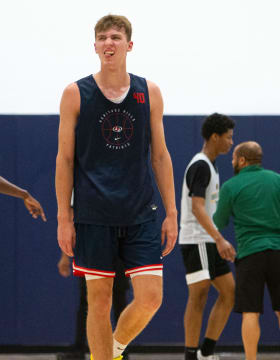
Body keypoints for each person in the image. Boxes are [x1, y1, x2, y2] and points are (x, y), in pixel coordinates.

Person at [55, 14, 178, 360]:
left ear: (129, 45)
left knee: (151, 297)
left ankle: (114, 349)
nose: (109, 43)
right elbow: (64, 160)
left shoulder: (149, 92)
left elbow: (160, 155)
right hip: (94, 213)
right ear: (95, 46)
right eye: (103, 38)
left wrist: (171, 212)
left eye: (116, 37)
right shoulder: (75, 94)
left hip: (140, 212)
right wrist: (64, 217)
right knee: (100, 301)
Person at [213, 141, 280, 360]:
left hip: (250, 255)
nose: (232, 161)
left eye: (234, 157)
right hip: (279, 252)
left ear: (242, 160)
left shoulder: (231, 186)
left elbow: (219, 222)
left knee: (251, 312)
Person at [179, 113, 236, 360]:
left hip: (209, 239)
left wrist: (217, 238)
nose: (231, 142)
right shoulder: (200, 165)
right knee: (199, 295)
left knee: (230, 292)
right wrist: (220, 238)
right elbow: (197, 207)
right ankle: (191, 355)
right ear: (215, 137)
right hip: (197, 239)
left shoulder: (210, 166)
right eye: (228, 137)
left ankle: (206, 351)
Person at [56, 253, 130, 360]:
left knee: (120, 302)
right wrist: (64, 256)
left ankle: (122, 352)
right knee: (86, 303)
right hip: (91, 251)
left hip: (118, 251)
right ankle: (79, 350)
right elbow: (70, 235)